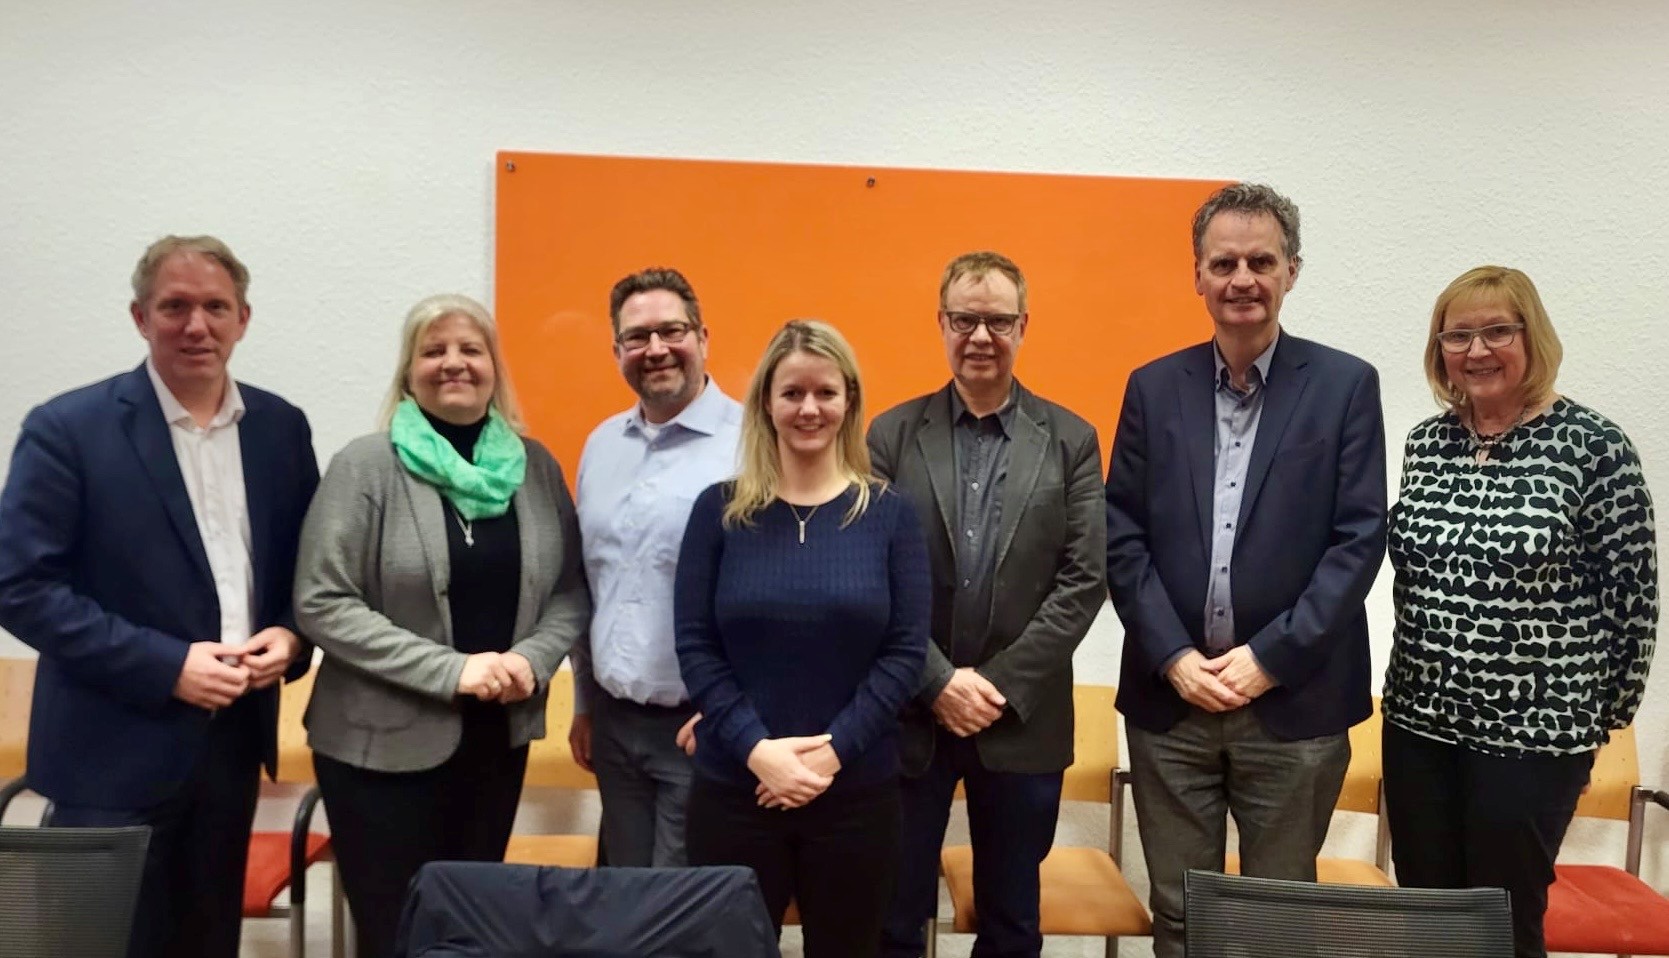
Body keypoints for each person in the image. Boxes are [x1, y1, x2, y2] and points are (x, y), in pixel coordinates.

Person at [0, 235, 319, 958]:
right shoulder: (68, 429)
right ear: (140, 318)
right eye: (175, 307)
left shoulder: (280, 428)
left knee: (207, 943)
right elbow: (21, 588)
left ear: (243, 318)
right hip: (106, 752)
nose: (196, 325)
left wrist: (292, 635)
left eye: (215, 307)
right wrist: (165, 665)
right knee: (97, 946)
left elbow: (308, 573)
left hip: (231, 748)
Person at [1105, 182, 1387, 958]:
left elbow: (1357, 541)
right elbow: (1120, 534)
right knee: (1180, 915)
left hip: (1293, 703)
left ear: (1291, 270)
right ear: (1196, 275)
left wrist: (1267, 659)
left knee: (1276, 922)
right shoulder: (1152, 387)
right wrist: (1173, 656)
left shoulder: (1344, 386)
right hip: (1172, 703)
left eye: (1260, 261)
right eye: (1223, 262)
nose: (1241, 279)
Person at [293, 293, 590, 958]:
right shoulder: (366, 466)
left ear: (494, 368)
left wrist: (533, 659)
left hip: (495, 743)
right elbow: (322, 600)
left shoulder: (534, 468)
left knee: (470, 930)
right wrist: (453, 671)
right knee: (397, 934)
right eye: (434, 351)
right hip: (378, 751)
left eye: (470, 349)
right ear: (409, 372)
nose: (453, 363)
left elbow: (571, 591)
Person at [1382, 265, 1657, 958]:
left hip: (1534, 736)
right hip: (1418, 725)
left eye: (1497, 331)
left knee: (1501, 922)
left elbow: (1632, 603)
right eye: (1457, 336)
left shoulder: (1593, 448)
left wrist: (1601, 722)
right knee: (1427, 917)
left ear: (1531, 337)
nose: (1476, 350)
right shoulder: (1426, 444)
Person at [871, 250, 1106, 958]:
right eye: (965, 320)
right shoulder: (890, 436)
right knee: (892, 918)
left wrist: (995, 685)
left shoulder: (1070, 441)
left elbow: (1084, 578)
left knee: (1010, 923)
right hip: (911, 712)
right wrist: (938, 681)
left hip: (1021, 719)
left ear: (1023, 326)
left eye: (998, 321)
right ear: (941, 324)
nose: (981, 336)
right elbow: (871, 575)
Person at [675, 319, 929, 958]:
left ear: (849, 401)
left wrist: (831, 755)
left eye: (825, 392)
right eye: (792, 393)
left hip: (856, 796)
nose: (809, 408)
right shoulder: (718, 512)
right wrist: (759, 752)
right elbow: (696, 647)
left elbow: (904, 653)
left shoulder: (891, 516)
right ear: (767, 401)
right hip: (736, 790)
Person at [571, 268, 742, 867]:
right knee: (624, 893)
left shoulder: (754, 444)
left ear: (703, 337)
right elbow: (591, 584)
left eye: (672, 331)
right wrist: (584, 704)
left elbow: (775, 599)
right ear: (617, 350)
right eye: (637, 337)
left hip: (702, 726)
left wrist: (732, 709)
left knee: (677, 903)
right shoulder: (601, 445)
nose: (656, 349)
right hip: (614, 725)